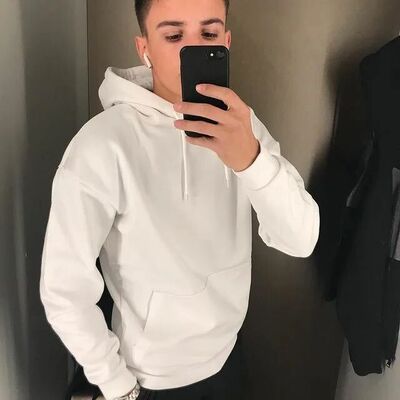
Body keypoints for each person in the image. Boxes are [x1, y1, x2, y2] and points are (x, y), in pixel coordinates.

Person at [39, 0, 320, 399]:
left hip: (229, 356)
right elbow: (63, 288)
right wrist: (116, 385)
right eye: (173, 35)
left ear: (226, 41)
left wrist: (252, 161)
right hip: (149, 378)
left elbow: (301, 238)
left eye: (208, 34)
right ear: (144, 48)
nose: (192, 49)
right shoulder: (102, 145)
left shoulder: (244, 128)